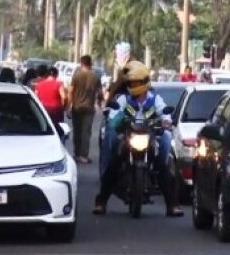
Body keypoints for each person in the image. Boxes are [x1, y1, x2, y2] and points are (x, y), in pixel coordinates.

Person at [94, 61, 183, 217]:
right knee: (114, 164)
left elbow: (164, 112)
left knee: (162, 166)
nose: (134, 85)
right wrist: (115, 119)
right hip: (129, 136)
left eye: (137, 82)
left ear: (144, 82)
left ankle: (172, 205)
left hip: (149, 136)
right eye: (131, 82)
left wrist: (166, 120)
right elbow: (115, 113)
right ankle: (101, 202)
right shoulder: (124, 99)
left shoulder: (155, 99)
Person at [68, 55, 102, 164]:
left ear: (81, 63)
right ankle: (84, 156)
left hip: (76, 107)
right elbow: (100, 92)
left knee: (77, 131)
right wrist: (99, 103)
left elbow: (70, 91)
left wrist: (69, 106)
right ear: (90, 63)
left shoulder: (76, 75)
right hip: (89, 108)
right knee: (86, 132)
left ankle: (77, 154)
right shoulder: (95, 76)